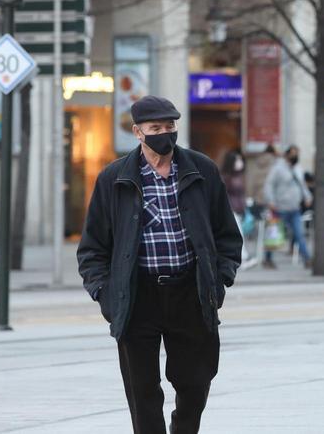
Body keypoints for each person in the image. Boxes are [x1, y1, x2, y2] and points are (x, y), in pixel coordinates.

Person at [76, 95, 242, 434]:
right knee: (142, 392)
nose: (164, 133)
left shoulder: (202, 170)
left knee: (195, 383)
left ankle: (183, 427)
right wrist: (106, 294)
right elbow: (92, 249)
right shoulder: (113, 179)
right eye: (156, 128)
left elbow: (228, 235)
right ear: (138, 132)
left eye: (170, 126)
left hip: (190, 293)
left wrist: (219, 279)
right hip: (138, 296)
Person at [263, 145, 312, 269]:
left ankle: (307, 259)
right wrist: (271, 201)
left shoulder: (298, 169)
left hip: (295, 208)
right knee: (275, 235)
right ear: (287, 154)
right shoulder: (278, 168)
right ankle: (267, 258)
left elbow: (302, 185)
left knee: (299, 234)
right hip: (280, 208)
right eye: (293, 153)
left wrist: (307, 196)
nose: (296, 156)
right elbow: (269, 185)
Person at [221, 150, 249, 264]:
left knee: (239, 233)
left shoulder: (239, 176)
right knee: (239, 233)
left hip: (239, 208)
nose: (240, 162)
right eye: (237, 160)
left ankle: (241, 256)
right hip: (231, 209)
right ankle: (243, 256)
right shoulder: (226, 177)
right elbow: (223, 194)